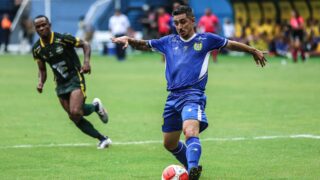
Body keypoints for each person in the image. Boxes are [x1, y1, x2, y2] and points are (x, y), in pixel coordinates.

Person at [112, 5, 267, 180]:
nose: (180, 26)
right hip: (172, 98)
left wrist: (252, 50)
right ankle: (189, 166)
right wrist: (129, 40)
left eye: (183, 22)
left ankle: (193, 170)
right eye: (176, 23)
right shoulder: (168, 41)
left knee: (190, 131)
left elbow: (230, 44)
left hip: (193, 95)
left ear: (192, 21)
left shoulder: (206, 39)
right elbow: (144, 45)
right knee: (169, 143)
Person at [32, 15, 111, 149]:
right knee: (74, 117)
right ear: (35, 29)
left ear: (49, 25)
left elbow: (85, 44)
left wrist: (86, 62)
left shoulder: (63, 39)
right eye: (38, 26)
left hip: (75, 78)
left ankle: (95, 108)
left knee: (75, 111)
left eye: (44, 24)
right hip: (60, 83)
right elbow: (42, 70)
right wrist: (41, 82)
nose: (42, 28)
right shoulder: (37, 49)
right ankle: (102, 138)